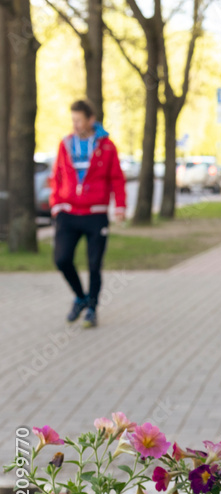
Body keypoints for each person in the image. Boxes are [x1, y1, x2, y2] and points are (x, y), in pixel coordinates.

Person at [49, 99, 127, 328]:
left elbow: (116, 178)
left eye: (78, 120)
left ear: (90, 120)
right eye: (72, 120)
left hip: (96, 214)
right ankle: (80, 297)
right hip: (68, 213)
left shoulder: (106, 146)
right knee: (61, 259)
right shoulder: (65, 144)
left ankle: (92, 308)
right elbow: (58, 176)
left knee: (94, 264)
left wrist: (120, 206)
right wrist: (56, 204)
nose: (75, 124)